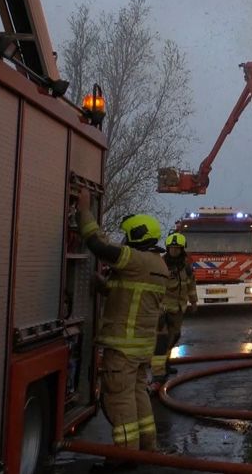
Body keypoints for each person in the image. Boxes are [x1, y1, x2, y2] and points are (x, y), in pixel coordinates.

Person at [77, 188, 169, 457]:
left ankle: (126, 455)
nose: (125, 240)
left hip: (123, 348)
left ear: (137, 237)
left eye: (128, 236)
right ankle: (146, 446)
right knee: (138, 394)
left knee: (119, 399)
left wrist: (84, 211)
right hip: (140, 349)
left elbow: (99, 246)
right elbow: (132, 296)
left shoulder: (135, 259)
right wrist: (105, 287)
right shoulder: (157, 265)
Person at [152, 232, 197, 383]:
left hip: (178, 309)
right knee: (161, 340)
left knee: (174, 336)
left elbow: (191, 285)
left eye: (177, 249)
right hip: (162, 309)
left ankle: (166, 363)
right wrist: (157, 308)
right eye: (171, 248)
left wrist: (194, 302)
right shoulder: (161, 265)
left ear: (182, 250)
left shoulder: (186, 267)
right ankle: (158, 373)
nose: (174, 251)